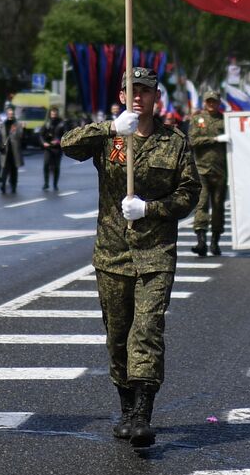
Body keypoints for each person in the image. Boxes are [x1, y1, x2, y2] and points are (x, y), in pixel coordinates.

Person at [61, 66, 200, 447]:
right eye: (131, 90)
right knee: (117, 336)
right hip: (112, 255)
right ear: (122, 96)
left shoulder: (175, 142)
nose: (138, 96)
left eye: (146, 91)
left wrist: (151, 209)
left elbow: (190, 193)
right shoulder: (110, 136)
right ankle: (125, 406)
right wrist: (109, 128)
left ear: (157, 98)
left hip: (155, 253)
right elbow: (67, 144)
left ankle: (142, 413)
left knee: (147, 330)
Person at [187, 89, 229, 256]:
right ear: (204, 102)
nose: (211, 104)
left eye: (214, 101)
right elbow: (192, 140)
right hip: (201, 169)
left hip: (221, 170)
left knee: (218, 206)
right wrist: (214, 139)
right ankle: (201, 241)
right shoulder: (197, 119)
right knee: (202, 204)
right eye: (208, 101)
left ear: (219, 103)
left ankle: (215, 242)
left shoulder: (226, 120)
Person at [0, 103, 22, 194]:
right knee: (5, 169)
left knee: (14, 170)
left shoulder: (17, 124)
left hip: (14, 151)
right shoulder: (4, 124)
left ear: (13, 114)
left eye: (12, 113)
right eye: (9, 113)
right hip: (6, 151)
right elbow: (0, 137)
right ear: (7, 114)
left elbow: (20, 136)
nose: (11, 114)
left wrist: (18, 130)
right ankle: (3, 185)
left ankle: (14, 186)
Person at [40, 106, 68, 190]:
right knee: (46, 165)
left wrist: (58, 141)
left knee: (56, 167)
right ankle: (46, 183)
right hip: (48, 148)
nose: (54, 115)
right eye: (52, 113)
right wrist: (43, 143)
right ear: (50, 114)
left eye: (55, 113)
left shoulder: (61, 123)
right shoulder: (47, 123)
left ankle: (55, 184)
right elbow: (41, 134)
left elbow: (66, 135)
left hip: (57, 148)